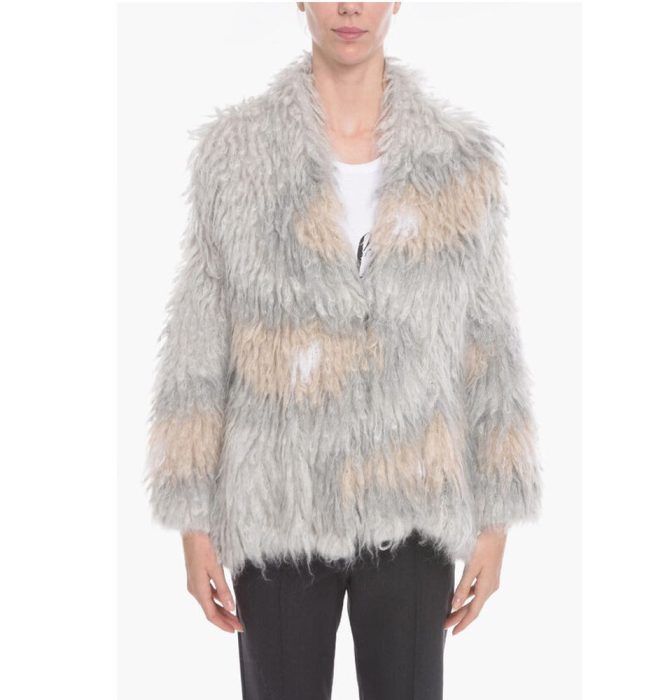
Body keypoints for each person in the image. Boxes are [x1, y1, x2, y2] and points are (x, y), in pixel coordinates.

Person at [144, 3, 542, 698]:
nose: (350, 7)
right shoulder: (237, 157)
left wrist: (496, 517)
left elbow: (489, 342)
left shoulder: (458, 162)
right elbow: (198, 341)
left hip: (413, 496)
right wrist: (193, 521)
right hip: (279, 497)